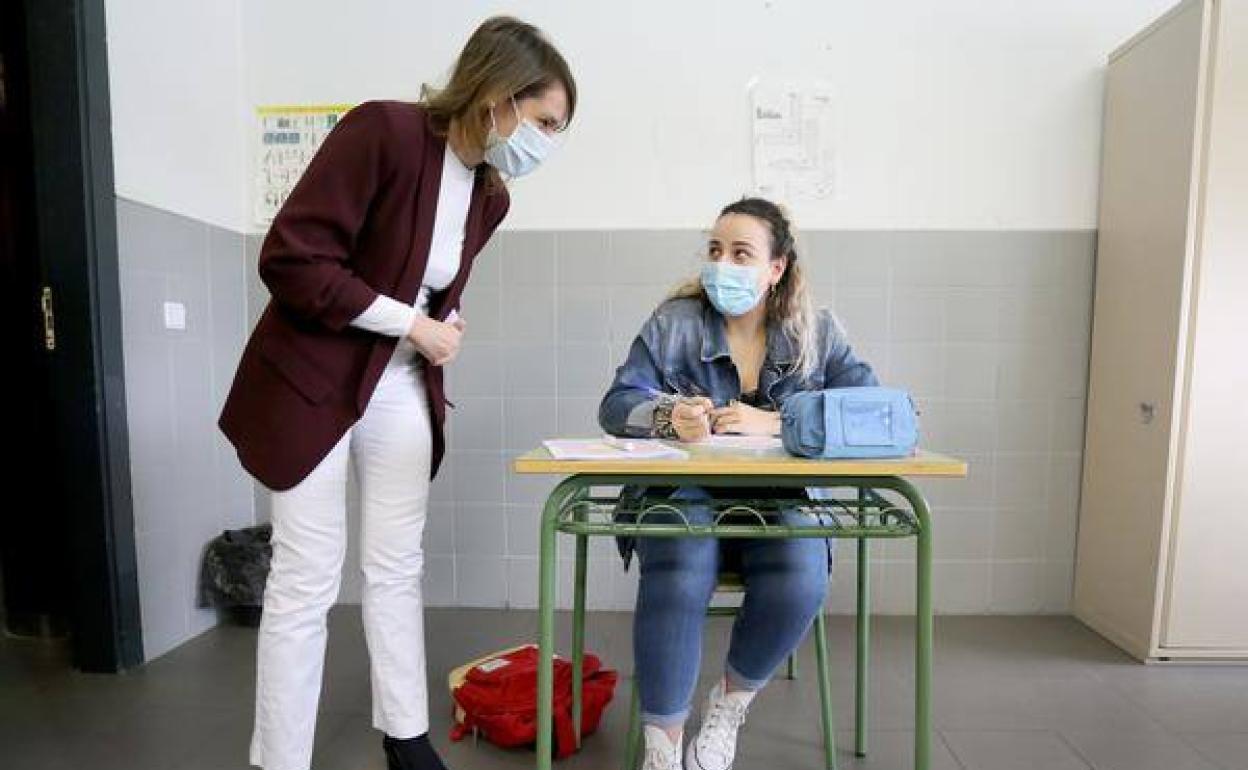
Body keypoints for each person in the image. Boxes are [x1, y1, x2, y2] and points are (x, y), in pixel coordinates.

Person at [218, 16, 575, 770]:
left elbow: (426, 285)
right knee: (306, 577)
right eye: (544, 122)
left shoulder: (489, 196)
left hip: (400, 381)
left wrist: (441, 320)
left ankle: (406, 738)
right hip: (312, 381)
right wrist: (413, 323)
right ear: (498, 91)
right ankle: (279, 760)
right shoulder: (384, 132)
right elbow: (292, 260)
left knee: (395, 564)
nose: (547, 143)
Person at [599, 197, 878, 770]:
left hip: (781, 499)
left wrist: (780, 421)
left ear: (776, 268)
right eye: (715, 250)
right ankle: (663, 746)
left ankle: (729, 703)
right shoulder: (674, 323)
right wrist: (668, 416)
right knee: (679, 561)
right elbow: (616, 405)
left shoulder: (817, 332)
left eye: (741, 253)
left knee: (801, 570)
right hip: (681, 497)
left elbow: (873, 411)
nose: (722, 264)